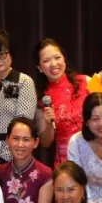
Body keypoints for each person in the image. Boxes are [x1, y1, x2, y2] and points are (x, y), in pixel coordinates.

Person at [0, 30, 40, 163]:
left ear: (10, 53)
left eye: (1, 54)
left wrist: (3, 161)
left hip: (16, 154)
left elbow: (24, 124)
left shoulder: (23, 81)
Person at [0, 116, 53, 203]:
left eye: (26, 140)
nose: (20, 144)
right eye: (15, 138)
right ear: (7, 140)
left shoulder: (45, 175)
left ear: (35, 142)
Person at [35, 38, 85, 167]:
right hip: (66, 162)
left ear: (64, 59)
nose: (53, 64)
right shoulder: (42, 99)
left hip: (93, 155)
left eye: (57, 57)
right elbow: (45, 143)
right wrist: (48, 123)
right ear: (40, 68)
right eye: (46, 60)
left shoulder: (85, 82)